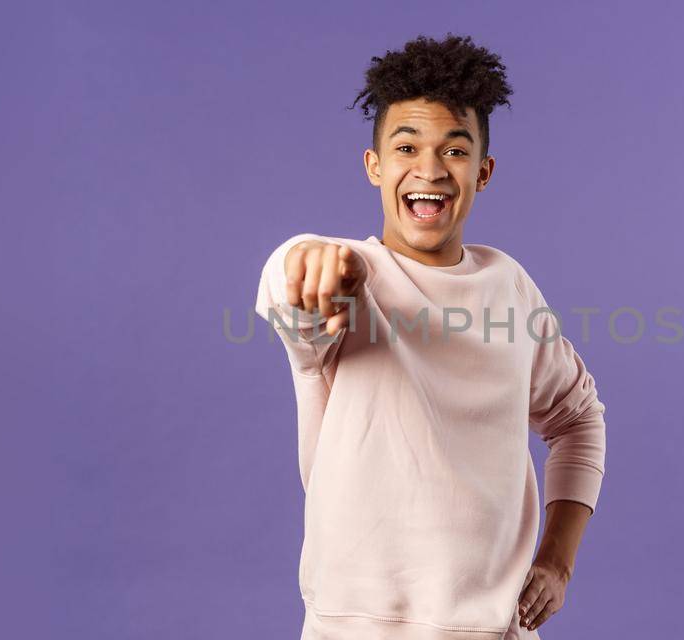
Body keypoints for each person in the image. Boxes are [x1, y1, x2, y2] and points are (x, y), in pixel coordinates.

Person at [254, 33, 607, 639]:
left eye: (455, 150)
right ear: (374, 166)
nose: (430, 169)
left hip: (496, 629)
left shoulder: (510, 286)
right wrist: (302, 259)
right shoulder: (348, 276)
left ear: (484, 172)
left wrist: (558, 562)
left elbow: (578, 419)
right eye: (406, 146)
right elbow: (296, 294)